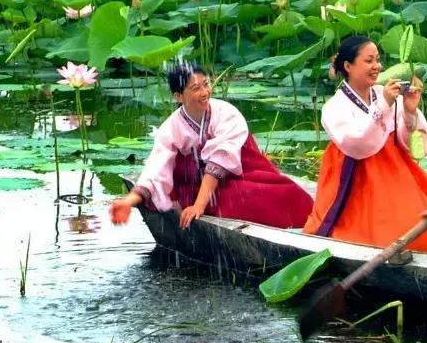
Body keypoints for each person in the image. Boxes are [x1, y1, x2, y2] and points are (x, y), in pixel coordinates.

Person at [303, 35, 427, 256]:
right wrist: (384, 105)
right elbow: (357, 145)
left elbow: (415, 147)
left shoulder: (383, 93)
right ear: (348, 66)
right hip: (354, 176)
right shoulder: (334, 107)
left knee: (423, 222)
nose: (377, 66)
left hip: (396, 169)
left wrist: (409, 110)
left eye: (377, 60)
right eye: (368, 61)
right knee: (382, 230)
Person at [110, 62, 313, 229]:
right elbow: (157, 169)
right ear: (178, 97)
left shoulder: (226, 113)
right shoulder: (170, 128)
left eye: (206, 84)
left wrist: (199, 205)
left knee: (287, 194)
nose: (205, 92)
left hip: (241, 174)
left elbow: (220, 159)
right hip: (196, 188)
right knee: (235, 200)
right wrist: (128, 201)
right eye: (195, 88)